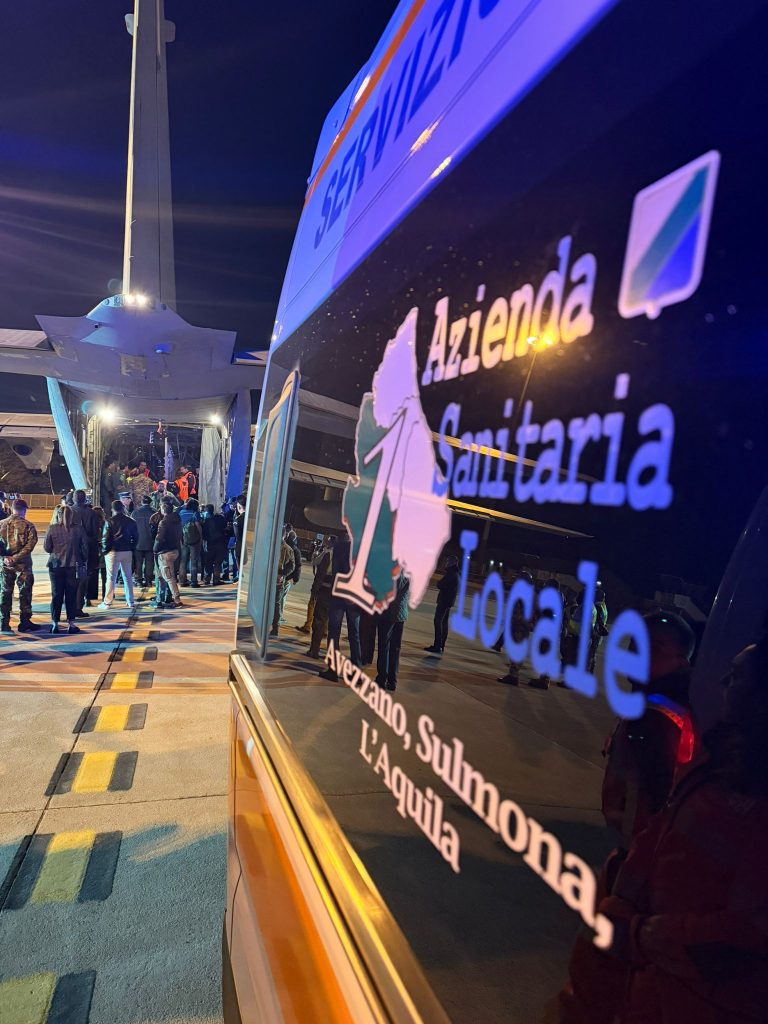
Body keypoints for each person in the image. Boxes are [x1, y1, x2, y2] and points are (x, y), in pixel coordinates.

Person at [561, 639, 768, 1024]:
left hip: (696, 999)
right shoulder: (720, 761)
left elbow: (741, 937)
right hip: (651, 976)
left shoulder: (746, 786)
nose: (724, 681)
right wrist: (622, 883)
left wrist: (642, 934)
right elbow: (662, 828)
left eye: (738, 676)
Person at [601, 611, 695, 846]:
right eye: (635, 642)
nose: (637, 652)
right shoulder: (646, 704)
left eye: (654, 647)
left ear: (681, 663)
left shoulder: (657, 718)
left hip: (640, 848)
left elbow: (657, 799)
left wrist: (637, 853)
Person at [319, 536, 362, 678]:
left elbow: (336, 572)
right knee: (354, 635)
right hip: (355, 597)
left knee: (334, 632)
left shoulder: (340, 546)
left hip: (339, 596)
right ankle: (356, 672)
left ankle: (333, 669)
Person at [44, 504, 88, 634]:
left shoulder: (52, 528)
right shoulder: (78, 529)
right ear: (72, 516)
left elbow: (47, 547)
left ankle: (55, 623)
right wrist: (82, 559)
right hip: (73, 566)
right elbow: (85, 548)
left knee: (56, 594)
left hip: (56, 565)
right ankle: (71, 624)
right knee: (71, 595)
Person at [0, 498, 40, 633]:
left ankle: (4, 622)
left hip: (5, 565)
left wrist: (6, 557)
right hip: (23, 565)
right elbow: (30, 545)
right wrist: (16, 558)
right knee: (25, 593)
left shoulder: (1, 524)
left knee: (5, 592)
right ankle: (24, 621)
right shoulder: (28, 525)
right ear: (24, 510)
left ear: (12, 509)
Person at [99, 499, 138, 609]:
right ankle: (130, 601)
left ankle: (107, 602)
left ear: (112, 509)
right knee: (128, 577)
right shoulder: (131, 521)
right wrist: (131, 547)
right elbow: (136, 537)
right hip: (127, 551)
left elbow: (105, 538)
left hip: (113, 551)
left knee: (111, 578)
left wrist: (105, 551)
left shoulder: (109, 521)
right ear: (122, 508)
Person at [375, 572, 410, 691]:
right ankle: (392, 679)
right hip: (401, 613)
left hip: (390, 613)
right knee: (395, 648)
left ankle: (382, 678)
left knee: (384, 646)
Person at [72, 489, 99, 619]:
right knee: (83, 579)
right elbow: (95, 532)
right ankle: (79, 606)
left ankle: (71, 605)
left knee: (70, 578)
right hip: (87, 549)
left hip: (71, 549)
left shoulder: (68, 510)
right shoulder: (92, 513)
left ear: (73, 499)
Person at [424, 555, 460, 654]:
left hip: (444, 601)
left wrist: (439, 583)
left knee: (438, 621)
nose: (446, 563)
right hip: (448, 602)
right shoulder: (455, 574)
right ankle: (441, 645)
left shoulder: (451, 574)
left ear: (451, 563)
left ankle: (437, 645)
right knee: (443, 622)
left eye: (448, 561)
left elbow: (440, 584)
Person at [298, 536, 332, 635]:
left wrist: (316, 553)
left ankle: (308, 625)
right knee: (328, 608)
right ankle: (325, 629)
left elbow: (315, 562)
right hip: (333, 585)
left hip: (322, 583)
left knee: (312, 603)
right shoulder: (341, 554)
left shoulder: (327, 552)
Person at [153, 498, 183, 608]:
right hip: (175, 549)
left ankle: (177, 599)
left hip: (165, 552)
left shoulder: (164, 522)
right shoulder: (177, 520)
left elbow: (159, 538)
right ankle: (160, 599)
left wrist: (155, 549)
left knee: (168, 577)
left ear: (163, 509)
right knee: (163, 575)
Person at [269, 527, 295, 637]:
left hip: (276, 579)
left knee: (275, 604)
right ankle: (273, 627)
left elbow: (292, 565)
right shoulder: (285, 548)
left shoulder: (285, 548)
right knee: (275, 604)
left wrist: (282, 574)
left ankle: (274, 628)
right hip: (274, 579)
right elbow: (292, 565)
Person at [178, 498, 203, 587]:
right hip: (194, 540)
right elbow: (198, 526)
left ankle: (182, 581)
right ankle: (194, 582)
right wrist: (201, 537)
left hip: (183, 539)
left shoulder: (181, 513)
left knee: (183, 561)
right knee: (194, 561)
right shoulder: (195, 513)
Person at [279, 530, 302, 623]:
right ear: (295, 538)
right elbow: (297, 565)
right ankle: (279, 616)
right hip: (287, 577)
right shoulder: (296, 550)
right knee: (282, 597)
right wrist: (296, 579)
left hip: (279, 575)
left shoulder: (282, 546)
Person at [201, 504, 227, 585]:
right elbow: (225, 528)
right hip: (220, 542)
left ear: (206, 511)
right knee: (217, 563)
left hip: (209, 544)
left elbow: (203, 534)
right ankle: (216, 579)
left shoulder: (205, 521)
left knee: (208, 562)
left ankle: (207, 579)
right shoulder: (220, 518)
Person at [133, 495, 155, 587]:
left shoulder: (135, 513)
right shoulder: (154, 512)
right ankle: (148, 581)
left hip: (138, 542)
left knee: (138, 562)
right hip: (150, 542)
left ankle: (138, 581)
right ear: (150, 502)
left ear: (141, 502)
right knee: (150, 562)